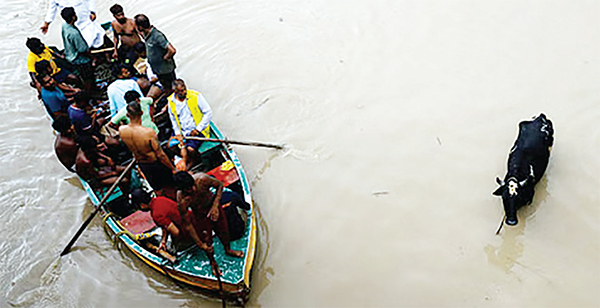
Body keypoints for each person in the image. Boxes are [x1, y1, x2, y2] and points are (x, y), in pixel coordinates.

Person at [173, 171, 244, 258]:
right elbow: (188, 224)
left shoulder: (202, 179)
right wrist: (200, 244)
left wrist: (215, 206)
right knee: (207, 241)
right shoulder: (182, 200)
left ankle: (228, 250)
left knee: (224, 230)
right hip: (200, 215)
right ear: (182, 190)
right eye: (188, 189)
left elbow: (220, 185)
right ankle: (213, 262)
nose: (193, 189)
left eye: (193, 185)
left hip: (213, 205)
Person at [119, 100, 176, 197]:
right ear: (141, 113)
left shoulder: (122, 130)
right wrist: (173, 169)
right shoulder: (149, 133)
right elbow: (160, 154)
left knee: (157, 189)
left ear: (128, 115)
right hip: (155, 163)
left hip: (143, 164)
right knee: (171, 187)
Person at [130, 188, 198, 254]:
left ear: (142, 205)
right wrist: (163, 241)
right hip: (194, 220)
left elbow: (176, 232)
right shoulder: (160, 199)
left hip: (191, 232)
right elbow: (166, 224)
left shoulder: (156, 214)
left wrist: (175, 245)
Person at [167, 79, 213, 169]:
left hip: (198, 129)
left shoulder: (196, 96)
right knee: (171, 145)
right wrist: (178, 134)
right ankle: (184, 157)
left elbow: (208, 112)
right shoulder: (171, 102)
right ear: (175, 92)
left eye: (184, 89)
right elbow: (173, 120)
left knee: (190, 149)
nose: (183, 92)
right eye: (180, 91)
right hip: (183, 131)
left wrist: (198, 129)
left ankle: (194, 160)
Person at [134, 14, 177, 92]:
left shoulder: (157, 36)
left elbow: (172, 50)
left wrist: (165, 58)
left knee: (171, 87)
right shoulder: (146, 34)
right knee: (165, 86)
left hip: (165, 70)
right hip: (158, 70)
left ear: (140, 27)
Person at [41, 0, 105, 48]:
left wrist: (92, 11)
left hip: (86, 19)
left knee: (97, 36)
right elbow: (52, 9)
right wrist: (47, 23)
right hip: (72, 22)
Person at [60, 7, 94, 90]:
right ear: (73, 17)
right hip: (79, 59)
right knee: (88, 77)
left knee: (83, 76)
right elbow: (82, 50)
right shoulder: (74, 33)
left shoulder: (64, 26)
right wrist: (92, 58)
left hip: (70, 55)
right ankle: (90, 92)